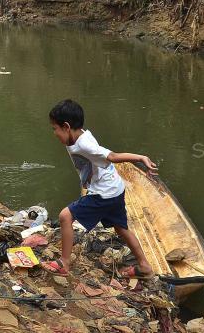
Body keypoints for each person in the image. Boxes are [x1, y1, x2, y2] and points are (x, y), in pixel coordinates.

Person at [41, 99, 158, 278]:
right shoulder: (80, 135)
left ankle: (64, 263)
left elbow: (112, 156)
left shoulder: (84, 144)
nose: (54, 133)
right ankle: (144, 267)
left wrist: (141, 157)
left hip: (103, 194)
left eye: (55, 128)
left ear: (66, 126)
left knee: (65, 216)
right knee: (121, 228)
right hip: (115, 188)